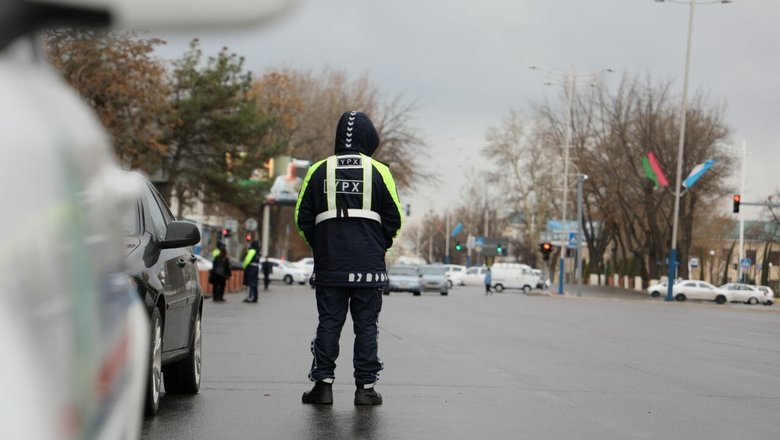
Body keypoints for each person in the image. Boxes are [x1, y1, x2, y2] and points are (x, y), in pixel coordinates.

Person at [295, 111, 403, 406]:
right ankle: (365, 390)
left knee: (329, 322)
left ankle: (322, 386)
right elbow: (394, 218)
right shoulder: (379, 171)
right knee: (366, 326)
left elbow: (302, 217)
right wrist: (380, 244)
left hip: (330, 266)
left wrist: (321, 245)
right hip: (368, 267)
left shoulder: (318, 170)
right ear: (369, 139)